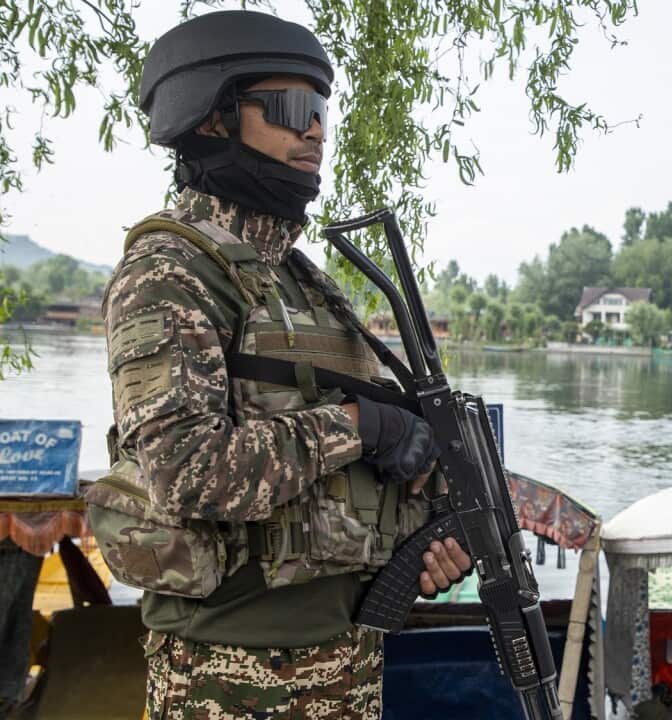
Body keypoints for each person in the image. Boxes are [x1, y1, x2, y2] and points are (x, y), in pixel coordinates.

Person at [91, 10, 470, 718]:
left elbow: (361, 469)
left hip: (348, 656)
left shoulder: (299, 279)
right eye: (294, 108)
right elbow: (187, 472)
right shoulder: (169, 273)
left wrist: (432, 529)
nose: (316, 131)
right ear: (213, 117)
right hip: (225, 670)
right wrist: (360, 426)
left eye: (322, 111)